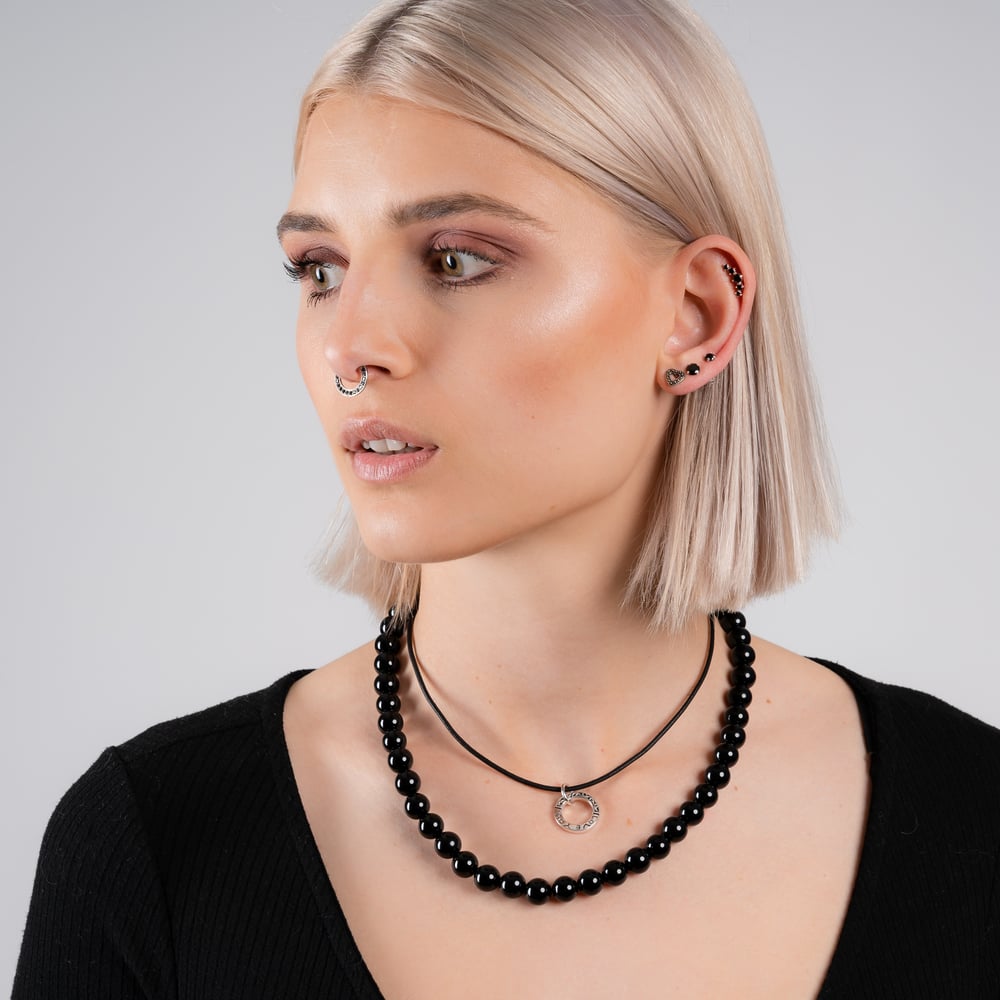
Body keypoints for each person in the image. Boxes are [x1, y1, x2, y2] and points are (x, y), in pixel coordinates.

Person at [13, 0, 1000, 996]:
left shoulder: (974, 818)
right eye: (320, 269)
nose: (352, 347)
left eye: (455, 260)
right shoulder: (155, 844)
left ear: (697, 314)